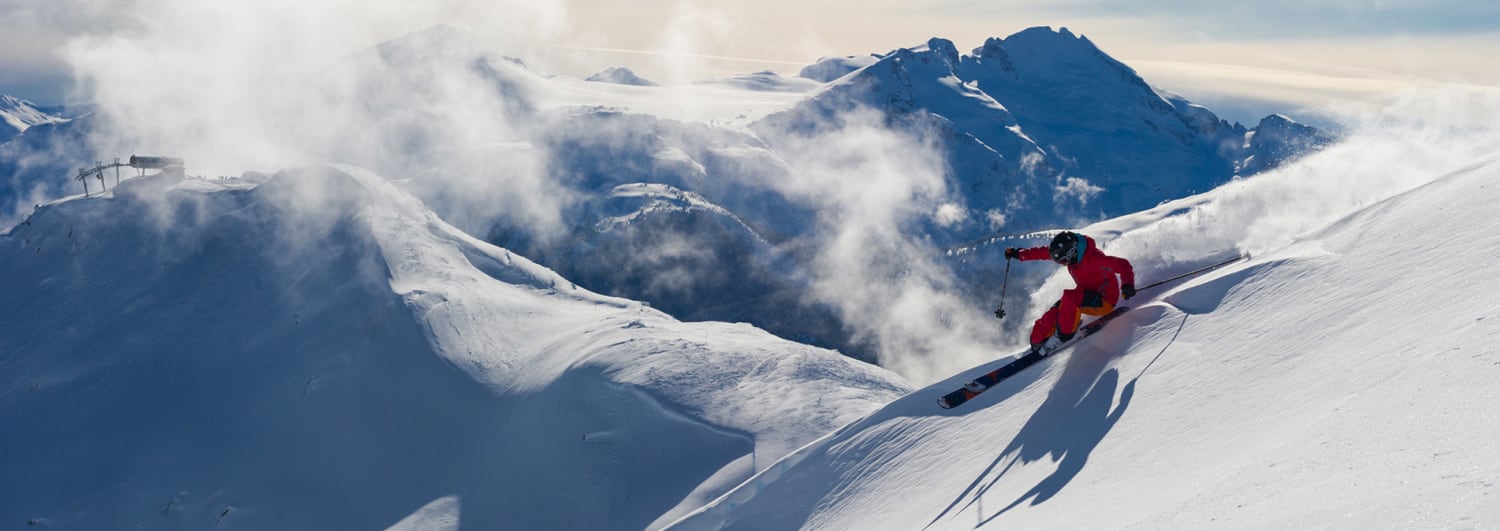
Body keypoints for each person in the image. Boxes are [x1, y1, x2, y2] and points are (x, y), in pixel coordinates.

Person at [1002, 231, 1136, 355]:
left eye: (1063, 261)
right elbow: (1041, 253)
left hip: (1104, 300)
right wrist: (1019, 254)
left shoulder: (1094, 259)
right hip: (1085, 295)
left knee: (1069, 298)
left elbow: (1123, 265)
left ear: (1072, 253)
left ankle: (1063, 335)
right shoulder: (1069, 253)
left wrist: (1127, 284)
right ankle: (1038, 341)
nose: (1063, 264)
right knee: (1056, 309)